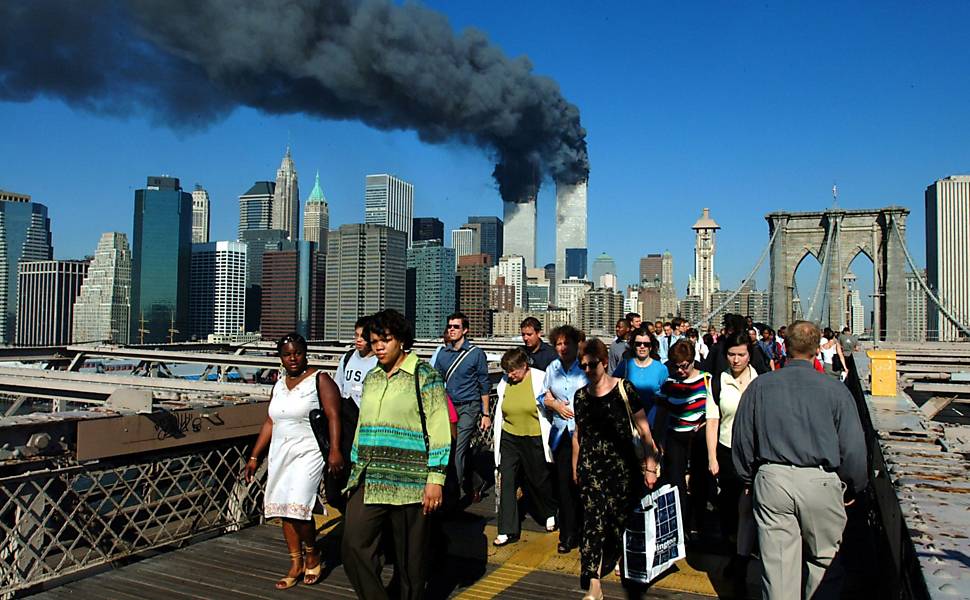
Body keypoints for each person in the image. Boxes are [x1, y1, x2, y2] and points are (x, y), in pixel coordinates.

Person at [733, 320, 867, 600]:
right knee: (824, 565)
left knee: (778, 571)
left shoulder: (759, 387)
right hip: (821, 482)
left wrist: (748, 478)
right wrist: (852, 485)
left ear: (785, 348)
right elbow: (853, 447)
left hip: (772, 480)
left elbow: (743, 440)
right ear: (817, 349)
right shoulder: (836, 391)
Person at [342, 309, 451, 600]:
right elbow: (364, 423)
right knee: (353, 546)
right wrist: (354, 465)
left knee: (410, 564)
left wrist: (435, 478)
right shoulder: (373, 377)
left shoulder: (425, 376)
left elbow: (440, 429)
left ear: (401, 340)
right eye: (375, 340)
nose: (378, 346)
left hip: (411, 480)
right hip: (370, 475)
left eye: (385, 340)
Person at [244, 333, 343, 589]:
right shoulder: (278, 385)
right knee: (283, 509)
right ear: (280, 358)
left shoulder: (320, 379)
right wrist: (255, 456)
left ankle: (312, 553)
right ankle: (295, 562)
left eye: (297, 353)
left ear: (305, 352)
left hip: (308, 452)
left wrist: (334, 450)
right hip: (281, 452)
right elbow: (270, 421)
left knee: (300, 506)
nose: (293, 358)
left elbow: (334, 416)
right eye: (287, 355)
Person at [572, 338, 659, 600]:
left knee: (619, 520)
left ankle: (622, 556)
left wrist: (650, 466)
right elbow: (578, 435)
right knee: (593, 524)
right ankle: (594, 585)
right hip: (590, 469)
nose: (588, 371)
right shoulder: (580, 397)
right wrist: (574, 467)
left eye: (592, 365)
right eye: (583, 366)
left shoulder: (625, 389)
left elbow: (644, 429)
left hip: (622, 469)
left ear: (605, 362)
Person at [705, 333, 758, 595]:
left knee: (747, 509)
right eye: (731, 354)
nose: (736, 360)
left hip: (753, 455)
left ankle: (741, 564)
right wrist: (712, 457)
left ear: (750, 355)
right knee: (727, 510)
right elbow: (712, 420)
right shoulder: (717, 382)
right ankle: (736, 553)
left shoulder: (761, 382)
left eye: (741, 354)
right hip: (726, 453)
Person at [493, 348, 557, 546]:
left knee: (538, 478)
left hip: (534, 436)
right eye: (508, 372)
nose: (510, 375)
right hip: (510, 437)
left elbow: (550, 403)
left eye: (514, 371)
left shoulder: (540, 378)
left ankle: (549, 511)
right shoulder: (504, 382)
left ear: (524, 366)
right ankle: (506, 529)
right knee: (507, 481)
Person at [656, 339, 713, 538]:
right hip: (674, 437)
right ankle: (681, 526)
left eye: (684, 366)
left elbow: (714, 412)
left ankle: (699, 523)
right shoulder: (670, 383)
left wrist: (705, 425)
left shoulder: (706, 380)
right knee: (676, 483)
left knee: (698, 482)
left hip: (697, 437)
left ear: (692, 361)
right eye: (676, 366)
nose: (680, 370)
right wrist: (658, 440)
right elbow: (662, 412)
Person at [433, 312, 491, 500]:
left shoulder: (476, 354)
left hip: (469, 406)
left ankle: (452, 495)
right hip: (448, 407)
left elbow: (484, 384)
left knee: (457, 449)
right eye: (449, 326)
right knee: (455, 448)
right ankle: (474, 482)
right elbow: (436, 381)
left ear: (465, 330)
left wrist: (485, 413)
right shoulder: (443, 354)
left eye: (456, 327)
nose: (451, 329)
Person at [543, 324, 588, 553]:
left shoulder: (586, 367)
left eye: (566, 343)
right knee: (564, 485)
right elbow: (543, 395)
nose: (562, 348)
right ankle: (568, 534)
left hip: (584, 434)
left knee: (584, 484)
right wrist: (554, 404)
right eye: (558, 344)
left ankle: (586, 531)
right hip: (562, 433)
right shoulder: (553, 368)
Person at [613, 327, 668, 433]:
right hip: (629, 424)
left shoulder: (661, 369)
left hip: (653, 424)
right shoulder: (625, 366)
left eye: (646, 344)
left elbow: (666, 399)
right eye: (638, 344)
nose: (642, 347)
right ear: (633, 346)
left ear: (651, 347)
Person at [335, 316, 379, 407]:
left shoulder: (379, 362)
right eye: (356, 335)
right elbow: (338, 387)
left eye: (363, 336)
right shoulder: (347, 358)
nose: (358, 340)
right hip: (347, 415)